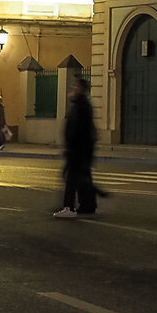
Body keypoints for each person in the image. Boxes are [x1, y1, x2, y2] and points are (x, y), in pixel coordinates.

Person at [55, 76, 98, 217]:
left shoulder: (80, 105)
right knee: (84, 178)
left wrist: (70, 148)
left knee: (71, 180)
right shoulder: (83, 105)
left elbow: (77, 129)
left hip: (77, 150)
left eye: (76, 87)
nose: (73, 89)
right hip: (82, 150)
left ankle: (68, 207)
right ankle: (88, 205)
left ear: (81, 89)